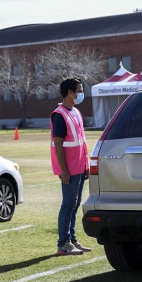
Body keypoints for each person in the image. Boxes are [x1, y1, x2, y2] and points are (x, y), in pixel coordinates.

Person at [50, 77, 91, 255]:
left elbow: (81, 141)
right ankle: (63, 243)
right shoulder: (60, 115)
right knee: (68, 204)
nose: (81, 93)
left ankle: (72, 240)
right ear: (70, 92)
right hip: (70, 169)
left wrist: (86, 164)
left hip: (80, 167)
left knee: (74, 204)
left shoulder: (76, 112)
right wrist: (64, 170)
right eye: (79, 90)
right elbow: (58, 145)